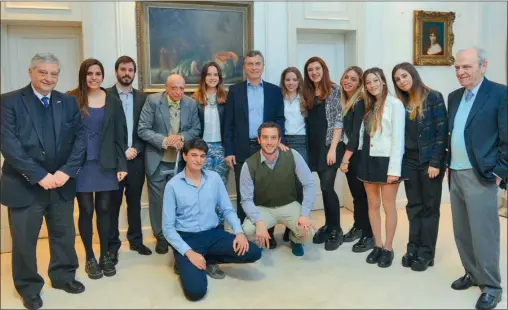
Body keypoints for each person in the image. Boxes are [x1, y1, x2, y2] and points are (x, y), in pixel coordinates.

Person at [0, 53, 87, 310]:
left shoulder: (67, 102)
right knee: (25, 240)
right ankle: (29, 287)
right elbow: (9, 145)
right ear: (31, 72)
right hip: (24, 185)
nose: (49, 78)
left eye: (54, 74)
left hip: (61, 183)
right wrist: (39, 176)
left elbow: (80, 140)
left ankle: (63, 276)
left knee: (63, 235)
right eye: (43, 73)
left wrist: (66, 172)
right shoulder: (9, 102)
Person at [162, 138, 262, 301]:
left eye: (202, 156)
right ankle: (183, 260)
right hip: (187, 238)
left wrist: (239, 232)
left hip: (212, 234)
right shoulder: (173, 186)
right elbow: (167, 228)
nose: (198, 160)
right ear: (185, 156)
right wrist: (189, 253)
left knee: (254, 252)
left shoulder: (214, 179)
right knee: (196, 292)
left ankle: (206, 258)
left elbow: (227, 209)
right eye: (194, 155)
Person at [447, 47, 507, 310]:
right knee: (462, 231)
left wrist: (498, 171)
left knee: (484, 234)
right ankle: (472, 274)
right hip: (455, 173)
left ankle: (492, 286)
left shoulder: (499, 93)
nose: (461, 72)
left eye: (467, 67)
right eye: (457, 67)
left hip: (481, 174)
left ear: (483, 66)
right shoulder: (454, 97)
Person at [68, 58, 128, 279]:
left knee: (105, 209)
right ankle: (90, 257)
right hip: (80, 164)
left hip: (106, 164)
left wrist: (122, 164)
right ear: (83, 75)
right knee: (86, 210)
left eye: (98, 74)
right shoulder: (71, 98)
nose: (94, 77)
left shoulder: (112, 100)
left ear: (103, 76)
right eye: (89, 73)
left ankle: (105, 255)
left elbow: (121, 134)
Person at [223, 50, 286, 249]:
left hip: (267, 149)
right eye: (250, 64)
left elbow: (279, 119)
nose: (254, 67)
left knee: (268, 193)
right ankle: (246, 234)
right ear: (244, 67)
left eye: (257, 63)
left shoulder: (274, 91)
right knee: (245, 194)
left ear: (263, 66)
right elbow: (229, 124)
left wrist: (276, 142)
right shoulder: (235, 91)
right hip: (242, 149)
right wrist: (229, 151)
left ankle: (268, 234)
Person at [392, 62, 448, 272]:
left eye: (404, 76)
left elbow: (442, 132)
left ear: (413, 75)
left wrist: (435, 162)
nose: (402, 81)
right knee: (413, 206)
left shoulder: (433, 97)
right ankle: (412, 248)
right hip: (410, 162)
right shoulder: (401, 102)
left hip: (428, 162)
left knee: (429, 208)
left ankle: (426, 253)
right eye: (397, 79)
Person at [138, 73, 201, 255]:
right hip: (157, 159)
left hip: (180, 162)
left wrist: (181, 137)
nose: (178, 92)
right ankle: (161, 237)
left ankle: (177, 235)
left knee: (179, 201)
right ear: (166, 87)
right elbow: (143, 128)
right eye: (174, 88)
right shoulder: (153, 101)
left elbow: (196, 129)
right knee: (158, 201)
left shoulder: (191, 103)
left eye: (182, 88)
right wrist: (165, 140)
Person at [240, 122, 316, 256]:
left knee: (308, 232)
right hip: (263, 208)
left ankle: (295, 240)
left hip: (288, 205)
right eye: (265, 137)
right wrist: (258, 222)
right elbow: (246, 199)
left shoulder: (292, 155)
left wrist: (304, 214)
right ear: (259, 140)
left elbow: (309, 184)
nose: (269, 142)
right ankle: (261, 241)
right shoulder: (249, 164)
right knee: (247, 230)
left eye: (273, 137)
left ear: (280, 140)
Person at [357, 67, 405, 268]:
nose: (372, 85)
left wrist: (394, 169)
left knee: (388, 205)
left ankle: (388, 248)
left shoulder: (395, 104)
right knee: (372, 205)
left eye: (375, 81)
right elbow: (364, 135)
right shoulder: (369, 105)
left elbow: (398, 139)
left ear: (383, 81)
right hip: (368, 158)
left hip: (386, 161)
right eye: (368, 82)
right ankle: (377, 245)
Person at [107, 56, 151, 265]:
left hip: (136, 158)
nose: (127, 73)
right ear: (116, 72)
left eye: (130, 70)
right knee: (112, 204)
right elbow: (103, 132)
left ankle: (135, 240)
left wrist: (135, 149)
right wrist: (120, 152)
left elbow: (146, 128)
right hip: (114, 160)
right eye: (123, 69)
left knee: (134, 202)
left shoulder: (143, 98)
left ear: (135, 73)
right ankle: (112, 246)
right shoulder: (105, 96)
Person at [302, 56, 344, 251]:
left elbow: (338, 120)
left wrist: (333, 148)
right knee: (323, 186)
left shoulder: (333, 90)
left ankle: (336, 229)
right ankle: (328, 225)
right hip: (313, 146)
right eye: (310, 70)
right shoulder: (307, 92)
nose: (314, 72)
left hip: (329, 146)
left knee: (327, 188)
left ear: (324, 69)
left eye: (317, 68)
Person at [192, 61, 229, 278]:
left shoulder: (226, 98)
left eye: (216, 74)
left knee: (219, 198)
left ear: (219, 77)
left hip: (221, 150)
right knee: (200, 196)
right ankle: (199, 244)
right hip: (201, 151)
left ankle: (218, 246)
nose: (213, 78)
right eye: (209, 74)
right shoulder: (196, 99)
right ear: (203, 77)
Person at [338, 66, 374, 253]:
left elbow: (356, 135)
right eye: (346, 77)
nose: (348, 81)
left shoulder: (359, 102)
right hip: (351, 153)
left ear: (359, 84)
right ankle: (359, 227)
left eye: (353, 79)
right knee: (357, 196)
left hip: (357, 155)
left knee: (364, 197)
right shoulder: (346, 101)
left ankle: (369, 234)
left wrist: (345, 159)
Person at [279, 67, 309, 243]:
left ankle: (296, 228)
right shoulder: (279, 98)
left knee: (299, 185)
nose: (291, 83)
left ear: (299, 81)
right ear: (283, 81)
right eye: (288, 79)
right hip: (282, 142)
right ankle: (287, 224)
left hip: (301, 141)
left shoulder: (304, 99)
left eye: (294, 79)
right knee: (285, 185)